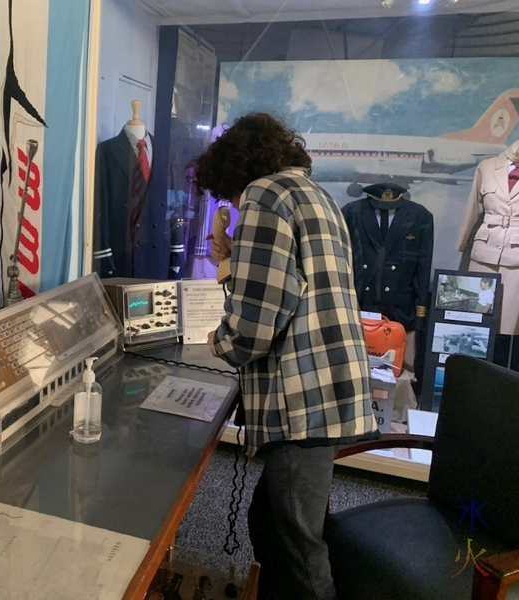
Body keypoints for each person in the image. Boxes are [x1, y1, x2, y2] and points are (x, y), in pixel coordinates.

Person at [195, 113, 379, 600]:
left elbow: (256, 321)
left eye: (226, 196)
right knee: (269, 517)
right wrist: (233, 257)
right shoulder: (314, 195)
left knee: (298, 543)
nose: (230, 205)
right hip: (329, 382)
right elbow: (293, 285)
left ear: (234, 172)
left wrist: (216, 343)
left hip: (302, 395)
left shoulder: (262, 197)